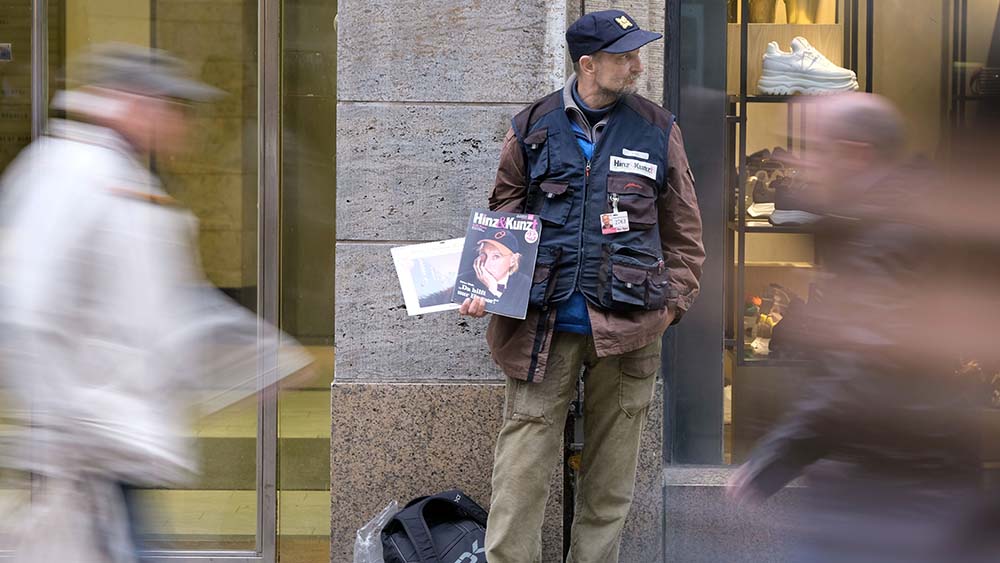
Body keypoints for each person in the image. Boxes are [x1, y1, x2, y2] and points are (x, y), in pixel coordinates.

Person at [0, 44, 310, 562]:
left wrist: (261, 360)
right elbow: (28, 311)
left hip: (117, 447)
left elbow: (166, 310)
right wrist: (64, 427)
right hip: (89, 451)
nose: (180, 123)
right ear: (132, 102)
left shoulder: (122, 179)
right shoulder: (70, 173)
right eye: (171, 107)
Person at [460, 10, 704, 562]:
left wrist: (671, 306)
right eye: (625, 57)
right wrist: (483, 285)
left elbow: (685, 233)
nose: (638, 65)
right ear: (588, 65)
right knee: (520, 476)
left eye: (638, 54)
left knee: (609, 484)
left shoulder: (658, 128)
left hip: (630, 330)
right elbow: (504, 219)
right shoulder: (531, 127)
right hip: (539, 331)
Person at [727, 93, 1000, 562]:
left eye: (818, 151)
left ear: (856, 153)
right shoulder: (898, 215)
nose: (808, 164)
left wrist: (776, 457)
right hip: (907, 478)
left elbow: (862, 365)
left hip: (893, 490)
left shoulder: (889, 233)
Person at [456, 231, 531, 317]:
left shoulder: (524, 284)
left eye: (496, 256)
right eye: (484, 254)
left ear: (513, 260)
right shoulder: (465, 279)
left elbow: (514, 310)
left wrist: (493, 289)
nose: (486, 264)